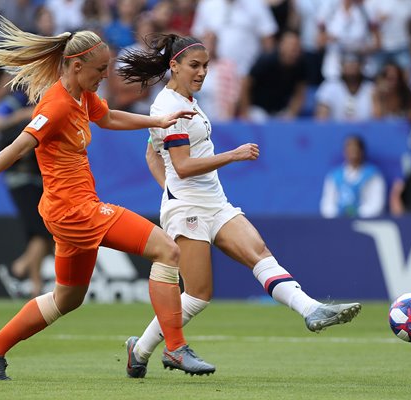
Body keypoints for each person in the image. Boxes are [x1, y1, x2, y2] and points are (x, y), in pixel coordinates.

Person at [0, 16, 215, 380]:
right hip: (76, 211)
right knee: (167, 250)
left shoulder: (82, 95)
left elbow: (109, 119)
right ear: (76, 66)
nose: (105, 76)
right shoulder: (55, 105)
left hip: (69, 211)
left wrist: (158, 122)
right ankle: (175, 347)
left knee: (67, 299)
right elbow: (20, 144)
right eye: (100, 69)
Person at [116, 33, 362, 379]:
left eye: (205, 66)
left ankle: (312, 309)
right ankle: (139, 350)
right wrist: (228, 157)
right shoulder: (168, 107)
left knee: (259, 252)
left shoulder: (187, 100)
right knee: (198, 296)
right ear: (174, 66)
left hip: (215, 202)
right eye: (194, 66)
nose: (202, 73)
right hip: (189, 210)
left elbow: (151, 154)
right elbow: (182, 166)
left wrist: (169, 186)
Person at [0, 82, 54, 299]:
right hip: (21, 176)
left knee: (43, 232)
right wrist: (24, 114)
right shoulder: (16, 101)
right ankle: (32, 282)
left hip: (39, 176)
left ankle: (21, 270)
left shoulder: (50, 99)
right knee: (41, 231)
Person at [320, 135, 386, 218]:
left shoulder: (373, 175)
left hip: (365, 222)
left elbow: (377, 206)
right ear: (344, 152)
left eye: (356, 149)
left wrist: (356, 212)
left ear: (362, 151)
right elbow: (326, 206)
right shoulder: (334, 176)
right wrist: (340, 213)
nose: (353, 153)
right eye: (349, 149)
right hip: (338, 223)